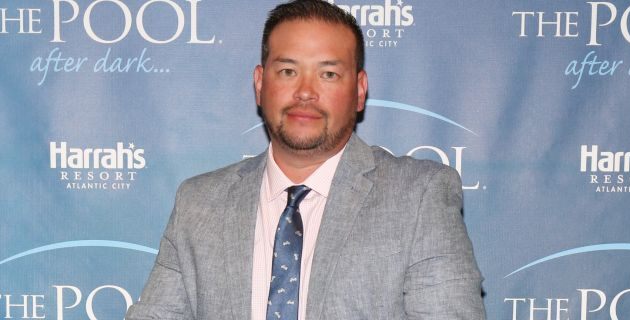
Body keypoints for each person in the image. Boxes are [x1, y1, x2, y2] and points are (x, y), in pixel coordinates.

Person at [126, 0, 485, 319]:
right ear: (259, 83)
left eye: (328, 74)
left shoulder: (419, 196)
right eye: (288, 71)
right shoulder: (199, 203)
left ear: (359, 91)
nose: (306, 92)